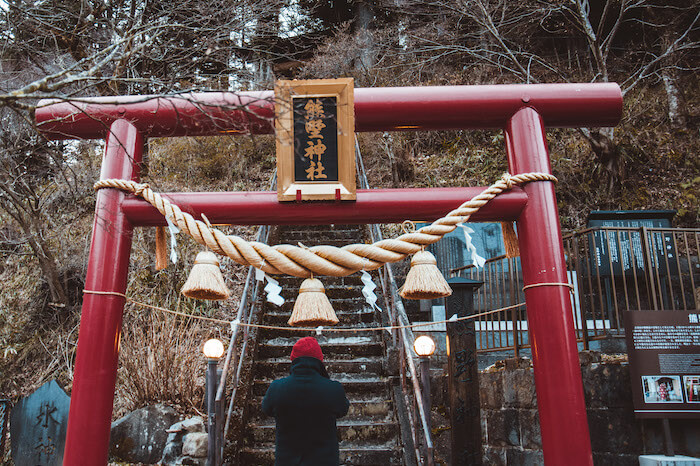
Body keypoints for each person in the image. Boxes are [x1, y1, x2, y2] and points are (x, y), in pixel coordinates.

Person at [262, 336, 350, 466]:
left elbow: (266, 408)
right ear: (320, 360)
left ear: (293, 360)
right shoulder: (333, 388)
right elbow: (343, 409)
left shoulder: (277, 388)